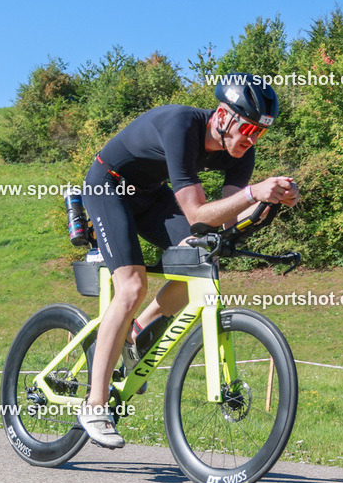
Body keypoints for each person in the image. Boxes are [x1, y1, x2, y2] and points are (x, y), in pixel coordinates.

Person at [78, 73, 300, 447]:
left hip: (150, 195)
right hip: (108, 187)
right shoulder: (181, 125)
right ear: (222, 116)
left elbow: (224, 222)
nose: (250, 139)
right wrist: (252, 191)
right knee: (131, 286)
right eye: (247, 128)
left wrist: (267, 201)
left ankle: (137, 332)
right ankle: (94, 404)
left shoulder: (242, 154)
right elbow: (198, 211)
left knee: (203, 258)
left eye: (259, 133)